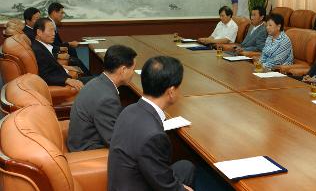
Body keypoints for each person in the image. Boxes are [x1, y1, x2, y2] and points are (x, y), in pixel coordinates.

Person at [108, 56, 195, 191]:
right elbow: (165, 187)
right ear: (171, 92)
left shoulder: (129, 109)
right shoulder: (153, 136)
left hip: (126, 182)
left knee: (185, 167)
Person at [68, 45, 137, 152]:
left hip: (84, 138)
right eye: (133, 69)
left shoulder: (97, 82)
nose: (133, 73)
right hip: (88, 149)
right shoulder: (107, 99)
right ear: (123, 70)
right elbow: (115, 141)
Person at [31, 18, 90, 89]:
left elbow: (49, 66)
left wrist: (65, 67)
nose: (53, 34)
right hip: (62, 82)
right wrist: (67, 80)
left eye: (54, 30)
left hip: (62, 75)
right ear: (39, 32)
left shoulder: (41, 46)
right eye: (50, 30)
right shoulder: (38, 50)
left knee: (95, 80)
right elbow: (44, 76)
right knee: (98, 82)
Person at [47, 2, 90, 75]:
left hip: (56, 48)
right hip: (54, 52)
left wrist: (69, 44)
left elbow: (56, 43)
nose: (62, 15)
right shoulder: (48, 24)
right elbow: (53, 44)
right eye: (61, 13)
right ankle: (88, 76)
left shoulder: (51, 22)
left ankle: (83, 74)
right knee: (74, 59)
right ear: (54, 13)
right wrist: (68, 44)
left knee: (71, 50)